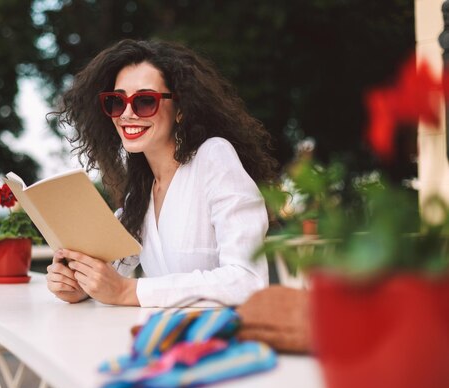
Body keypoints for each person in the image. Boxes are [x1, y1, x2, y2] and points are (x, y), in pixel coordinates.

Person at [47, 39, 278, 307]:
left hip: (221, 341)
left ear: (180, 109)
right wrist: (76, 283)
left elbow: (248, 281)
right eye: (117, 102)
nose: (128, 114)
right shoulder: (140, 194)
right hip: (162, 341)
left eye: (145, 101)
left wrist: (128, 291)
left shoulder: (213, 157)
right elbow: (107, 271)